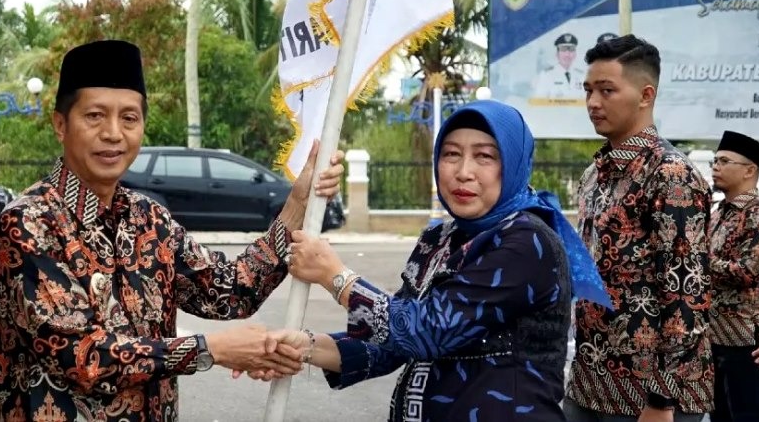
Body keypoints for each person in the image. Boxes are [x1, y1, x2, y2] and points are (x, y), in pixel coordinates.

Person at [0, 39, 345, 422]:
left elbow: (230, 290)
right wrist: (212, 349)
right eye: (95, 116)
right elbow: (81, 356)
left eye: (129, 118)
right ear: (61, 124)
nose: (113, 133)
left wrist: (297, 203)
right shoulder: (27, 223)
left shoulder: (150, 219)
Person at [248, 100, 612, 421]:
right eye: (451, 154)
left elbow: (429, 331)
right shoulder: (438, 239)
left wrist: (335, 276)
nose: (463, 171)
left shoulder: (527, 241)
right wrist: (305, 347)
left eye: (485, 156)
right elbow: (390, 342)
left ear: (513, 164)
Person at [565, 34, 714, 422]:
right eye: (588, 90)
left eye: (607, 90)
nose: (593, 102)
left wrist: (662, 399)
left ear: (646, 95)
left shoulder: (671, 175)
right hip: (590, 380)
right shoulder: (594, 175)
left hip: (651, 395)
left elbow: (687, 293)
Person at [707, 131, 759, 422]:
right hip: (714, 334)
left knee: (746, 416)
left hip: (745, 338)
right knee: (720, 416)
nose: (716, 167)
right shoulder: (718, 212)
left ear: (749, 170)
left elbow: (746, 271)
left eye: (724, 161)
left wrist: (698, 262)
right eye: (714, 161)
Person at [532, 33, 585, 100]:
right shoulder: (546, 75)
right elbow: (539, 102)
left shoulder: (582, 76)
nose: (567, 54)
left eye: (571, 50)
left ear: (575, 54)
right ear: (557, 54)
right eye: (563, 50)